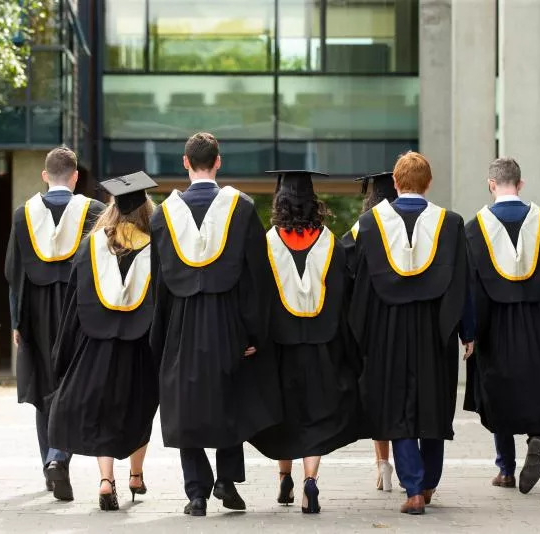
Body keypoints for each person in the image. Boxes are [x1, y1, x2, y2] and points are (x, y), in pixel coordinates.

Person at [150, 132, 281, 517]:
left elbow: (158, 284)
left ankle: (196, 492)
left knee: (184, 403)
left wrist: (159, 339)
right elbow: (256, 276)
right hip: (229, 321)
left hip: (181, 323)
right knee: (230, 396)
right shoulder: (240, 208)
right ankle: (226, 481)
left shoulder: (164, 215)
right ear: (218, 161)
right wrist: (254, 331)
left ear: (185, 163)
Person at [349, 151, 474, 515]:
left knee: (398, 406)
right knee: (433, 402)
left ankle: (414, 488)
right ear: (428, 183)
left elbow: (347, 270)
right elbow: (464, 283)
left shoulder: (371, 223)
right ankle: (430, 482)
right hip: (435, 330)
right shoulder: (450, 224)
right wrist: (468, 331)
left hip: (388, 331)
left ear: (397, 184)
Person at [249, 170, 363, 514]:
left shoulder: (265, 244)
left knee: (284, 413)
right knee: (314, 415)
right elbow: (344, 298)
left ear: (279, 204)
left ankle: (284, 476)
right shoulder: (332, 243)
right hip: (322, 345)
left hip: (280, 347)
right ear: (315, 204)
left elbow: (257, 298)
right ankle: (310, 482)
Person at [48, 171, 160, 511]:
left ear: (112, 207)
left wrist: (64, 351)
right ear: (145, 209)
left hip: (97, 344)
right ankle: (136, 475)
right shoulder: (157, 247)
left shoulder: (91, 246)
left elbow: (73, 305)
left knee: (104, 410)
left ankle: (106, 480)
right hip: (141, 345)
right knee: (139, 409)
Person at [463, 157, 540, 495]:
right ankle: (536, 437)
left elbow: (472, 289)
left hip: (496, 326)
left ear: (491, 184)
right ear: (521, 184)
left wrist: (471, 333)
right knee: (536, 383)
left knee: (500, 392)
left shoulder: (473, 229)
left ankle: (506, 470)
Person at [4, 146, 105, 501]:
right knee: (73, 386)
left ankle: (49, 462)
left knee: (44, 390)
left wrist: (17, 321)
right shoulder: (94, 212)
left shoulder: (23, 215)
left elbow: (13, 272)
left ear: (45, 176)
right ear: (76, 176)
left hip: (37, 313)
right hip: (79, 313)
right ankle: (58, 458)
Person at [344, 171, 399, 492]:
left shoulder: (360, 229)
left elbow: (344, 276)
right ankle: (409, 458)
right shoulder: (413, 228)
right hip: (406, 324)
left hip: (371, 328)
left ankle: (382, 464)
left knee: (378, 397)